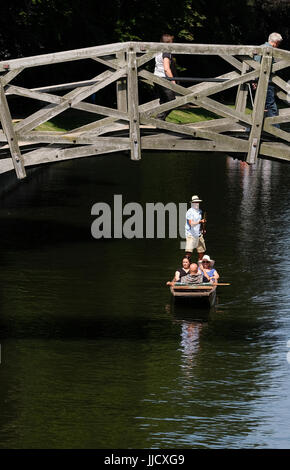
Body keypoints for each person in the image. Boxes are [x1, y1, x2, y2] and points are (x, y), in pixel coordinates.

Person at [253, 32, 283, 123]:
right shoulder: (270, 50)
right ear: (276, 42)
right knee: (271, 107)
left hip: (260, 80)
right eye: (279, 43)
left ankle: (259, 128)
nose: (279, 45)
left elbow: (255, 64)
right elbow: (258, 66)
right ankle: (274, 132)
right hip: (266, 82)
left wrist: (254, 80)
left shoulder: (260, 47)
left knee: (261, 106)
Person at [154, 33, 177, 120]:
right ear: (168, 43)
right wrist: (173, 80)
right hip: (163, 79)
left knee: (163, 101)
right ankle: (159, 119)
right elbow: (166, 68)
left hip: (156, 77)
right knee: (172, 101)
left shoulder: (158, 51)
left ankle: (161, 122)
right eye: (172, 42)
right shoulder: (166, 52)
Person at [185, 195, 206, 262]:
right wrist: (200, 221)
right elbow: (191, 223)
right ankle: (187, 267)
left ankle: (200, 267)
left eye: (198, 202)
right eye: (195, 202)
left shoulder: (200, 211)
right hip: (190, 234)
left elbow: (198, 224)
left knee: (201, 252)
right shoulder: (189, 212)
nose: (197, 204)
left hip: (198, 234)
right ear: (192, 203)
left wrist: (201, 230)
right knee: (189, 252)